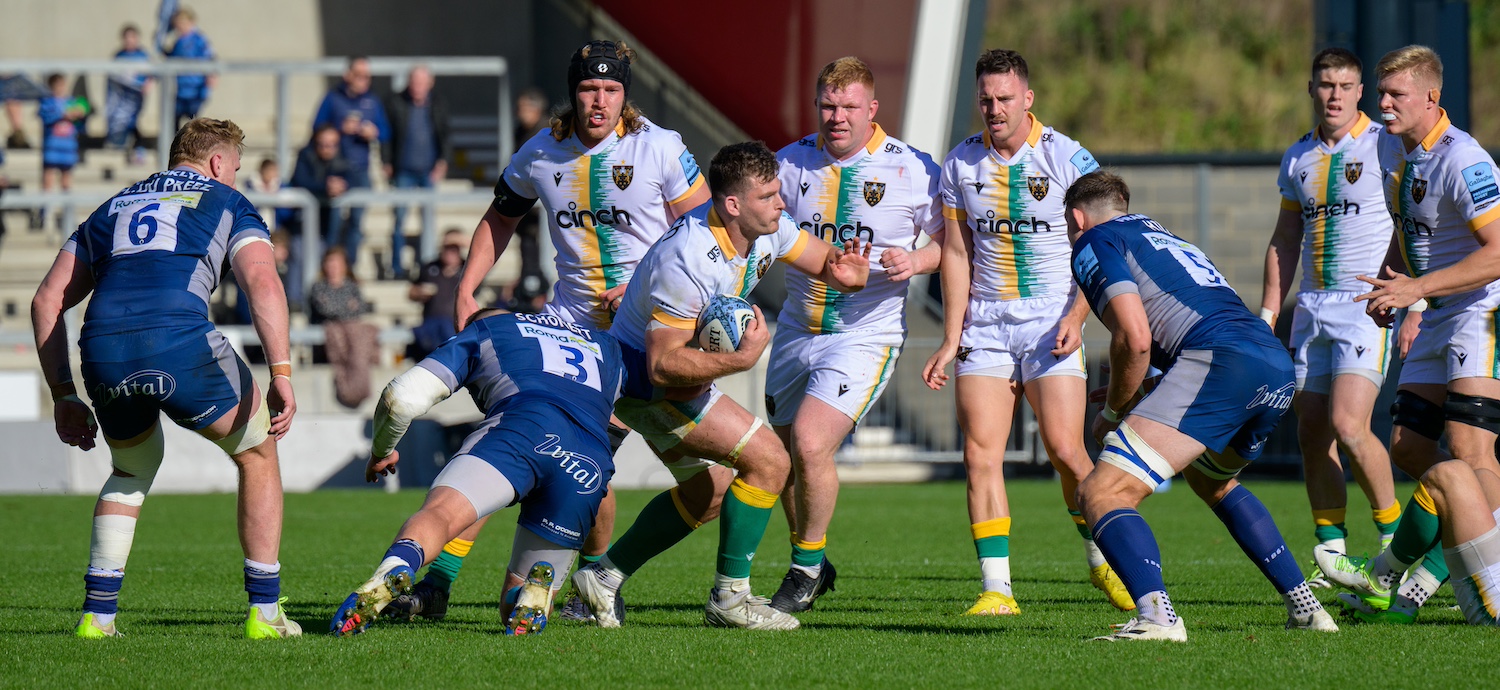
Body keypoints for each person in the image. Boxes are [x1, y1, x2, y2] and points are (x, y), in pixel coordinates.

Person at [388, 40, 710, 622]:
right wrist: (467, 288)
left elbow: (706, 230)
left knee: (700, 485)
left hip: (648, 337)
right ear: (573, 92)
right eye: (589, 89)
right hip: (571, 332)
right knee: (512, 444)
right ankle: (441, 582)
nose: (599, 101)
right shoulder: (541, 151)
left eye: (611, 90)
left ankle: (601, 578)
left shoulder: (661, 146)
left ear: (625, 95)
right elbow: (500, 217)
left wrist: (647, 286)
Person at [565, 140, 868, 630]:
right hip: (647, 386)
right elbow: (663, 364)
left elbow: (825, 261)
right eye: (768, 196)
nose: (782, 203)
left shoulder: (768, 227)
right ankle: (730, 599)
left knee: (707, 494)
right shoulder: (688, 256)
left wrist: (847, 274)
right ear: (732, 205)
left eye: (778, 192)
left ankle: (604, 578)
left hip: (664, 386)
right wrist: (742, 359)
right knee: (770, 461)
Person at [31, 118, 300, 639]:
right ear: (218, 162)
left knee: (131, 469)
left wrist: (63, 394)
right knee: (257, 453)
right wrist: (282, 371)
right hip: (179, 339)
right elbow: (263, 282)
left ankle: (98, 617)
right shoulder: (229, 201)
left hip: (103, 348)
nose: (235, 177)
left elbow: (47, 301)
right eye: (236, 167)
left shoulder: (110, 207)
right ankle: (265, 613)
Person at [1065, 170, 1337, 641]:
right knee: (1211, 479)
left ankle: (1158, 619)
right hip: (1271, 363)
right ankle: (1307, 608)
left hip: (1220, 362)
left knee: (1101, 493)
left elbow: (1135, 338)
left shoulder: (1095, 240)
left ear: (1076, 219)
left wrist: (1111, 414)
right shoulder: (1165, 237)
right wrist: (1141, 392)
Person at [920, 49, 1130, 616]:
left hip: (1049, 319)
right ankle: (997, 590)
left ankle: (1103, 561)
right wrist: (951, 336)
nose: (994, 108)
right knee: (979, 453)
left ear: (1028, 98)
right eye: (986, 99)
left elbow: (1103, 242)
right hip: (985, 322)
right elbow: (957, 253)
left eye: (1005, 98)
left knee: (1065, 449)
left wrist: (1077, 316)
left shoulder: (1066, 156)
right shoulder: (960, 164)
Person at [1315, 45, 1500, 624]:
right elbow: (1409, 228)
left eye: (1396, 94)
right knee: (1408, 448)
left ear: (1431, 97)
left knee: (1471, 452)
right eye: (1382, 93)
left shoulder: (1463, 159)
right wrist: (1393, 285)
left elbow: (1498, 252)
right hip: (1436, 310)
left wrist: (1416, 289)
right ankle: (1428, 569)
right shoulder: (1391, 148)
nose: (1384, 103)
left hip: (1481, 310)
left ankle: (1470, 583)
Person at [332, 308, 654, 636]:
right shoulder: (605, 345)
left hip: (520, 429)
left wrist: (382, 451)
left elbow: (400, 398)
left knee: (441, 513)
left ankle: (396, 566)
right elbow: (663, 375)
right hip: (587, 460)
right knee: (510, 612)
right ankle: (528, 593)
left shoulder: (488, 330)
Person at [762, 57, 943, 612]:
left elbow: (953, 245)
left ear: (872, 109)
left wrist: (916, 261)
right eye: (827, 105)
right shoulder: (788, 162)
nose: (836, 117)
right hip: (796, 328)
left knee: (811, 442)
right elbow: (755, 231)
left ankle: (803, 570)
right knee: (785, 458)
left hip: (865, 334)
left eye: (848, 107)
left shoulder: (914, 168)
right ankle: (813, 559)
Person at [1260, 47, 1401, 587]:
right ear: (1312, 89)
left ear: (1360, 92)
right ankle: (1333, 555)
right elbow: (1284, 238)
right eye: (1325, 84)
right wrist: (1268, 313)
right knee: (1312, 431)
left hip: (1366, 305)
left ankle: (1393, 548)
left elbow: (1412, 220)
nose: (1334, 95)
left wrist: (1410, 300)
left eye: (1345, 86)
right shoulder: (1298, 156)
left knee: (1349, 424)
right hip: (1312, 308)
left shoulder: (1386, 144)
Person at [312, 56, 389, 270]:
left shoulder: (372, 101)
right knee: (334, 221)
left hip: (361, 169)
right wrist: (339, 129)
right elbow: (317, 128)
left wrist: (373, 132)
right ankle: (328, 268)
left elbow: (385, 132)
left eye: (367, 76)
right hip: (336, 169)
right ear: (348, 75)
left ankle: (349, 268)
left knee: (356, 222)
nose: (363, 80)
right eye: (359, 75)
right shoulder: (333, 98)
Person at [383, 65, 451, 279]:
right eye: (414, 82)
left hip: (428, 170)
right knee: (399, 219)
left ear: (430, 83)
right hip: (403, 169)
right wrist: (386, 161)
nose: (417, 87)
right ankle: (396, 267)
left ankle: (426, 266)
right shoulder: (396, 102)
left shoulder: (438, 103)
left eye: (421, 82)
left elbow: (445, 134)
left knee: (428, 220)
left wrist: (443, 161)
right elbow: (387, 135)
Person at [288, 125, 351, 306]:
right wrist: (325, 187)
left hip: (330, 224)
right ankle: (295, 302)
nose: (327, 149)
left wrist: (343, 186)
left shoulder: (345, 157)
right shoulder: (306, 156)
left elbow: (356, 179)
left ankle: (323, 304)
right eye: (322, 144)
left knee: (329, 261)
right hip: (303, 221)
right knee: (299, 255)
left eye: (331, 145)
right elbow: (299, 181)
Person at [308, 247, 377, 408]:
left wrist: (342, 309)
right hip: (324, 343)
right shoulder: (318, 287)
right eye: (330, 262)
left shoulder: (352, 287)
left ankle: (358, 385)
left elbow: (360, 308)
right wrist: (347, 307)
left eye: (337, 263)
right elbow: (326, 309)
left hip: (352, 334)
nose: (333, 267)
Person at [408, 229, 467, 360]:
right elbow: (411, 292)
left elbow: (487, 258)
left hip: (454, 323)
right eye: (447, 248)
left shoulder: (467, 269)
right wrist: (419, 292)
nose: (449, 252)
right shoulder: (430, 267)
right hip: (431, 322)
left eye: (454, 248)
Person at [39, 74, 85, 229]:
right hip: (52, 147)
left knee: (66, 181)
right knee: (48, 180)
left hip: (68, 148)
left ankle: (67, 214)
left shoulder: (72, 102)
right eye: (58, 85)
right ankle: (46, 214)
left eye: (63, 85)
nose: (61, 89)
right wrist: (62, 114)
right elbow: (45, 117)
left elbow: (79, 126)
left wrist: (80, 115)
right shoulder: (47, 102)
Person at [160, 7, 215, 128]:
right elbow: (173, 58)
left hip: (195, 89)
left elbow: (210, 58)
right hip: (181, 89)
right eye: (178, 24)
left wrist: (211, 76)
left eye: (183, 23)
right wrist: (162, 48)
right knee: (174, 119)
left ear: (191, 22)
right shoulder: (178, 42)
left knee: (193, 121)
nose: (180, 27)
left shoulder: (199, 40)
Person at [105, 24, 151, 165]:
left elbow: (152, 74)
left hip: (135, 97)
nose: (129, 41)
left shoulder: (143, 55)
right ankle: (132, 149)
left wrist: (147, 83)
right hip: (122, 98)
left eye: (132, 37)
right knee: (125, 123)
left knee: (132, 121)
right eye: (126, 38)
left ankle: (139, 149)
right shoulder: (119, 56)